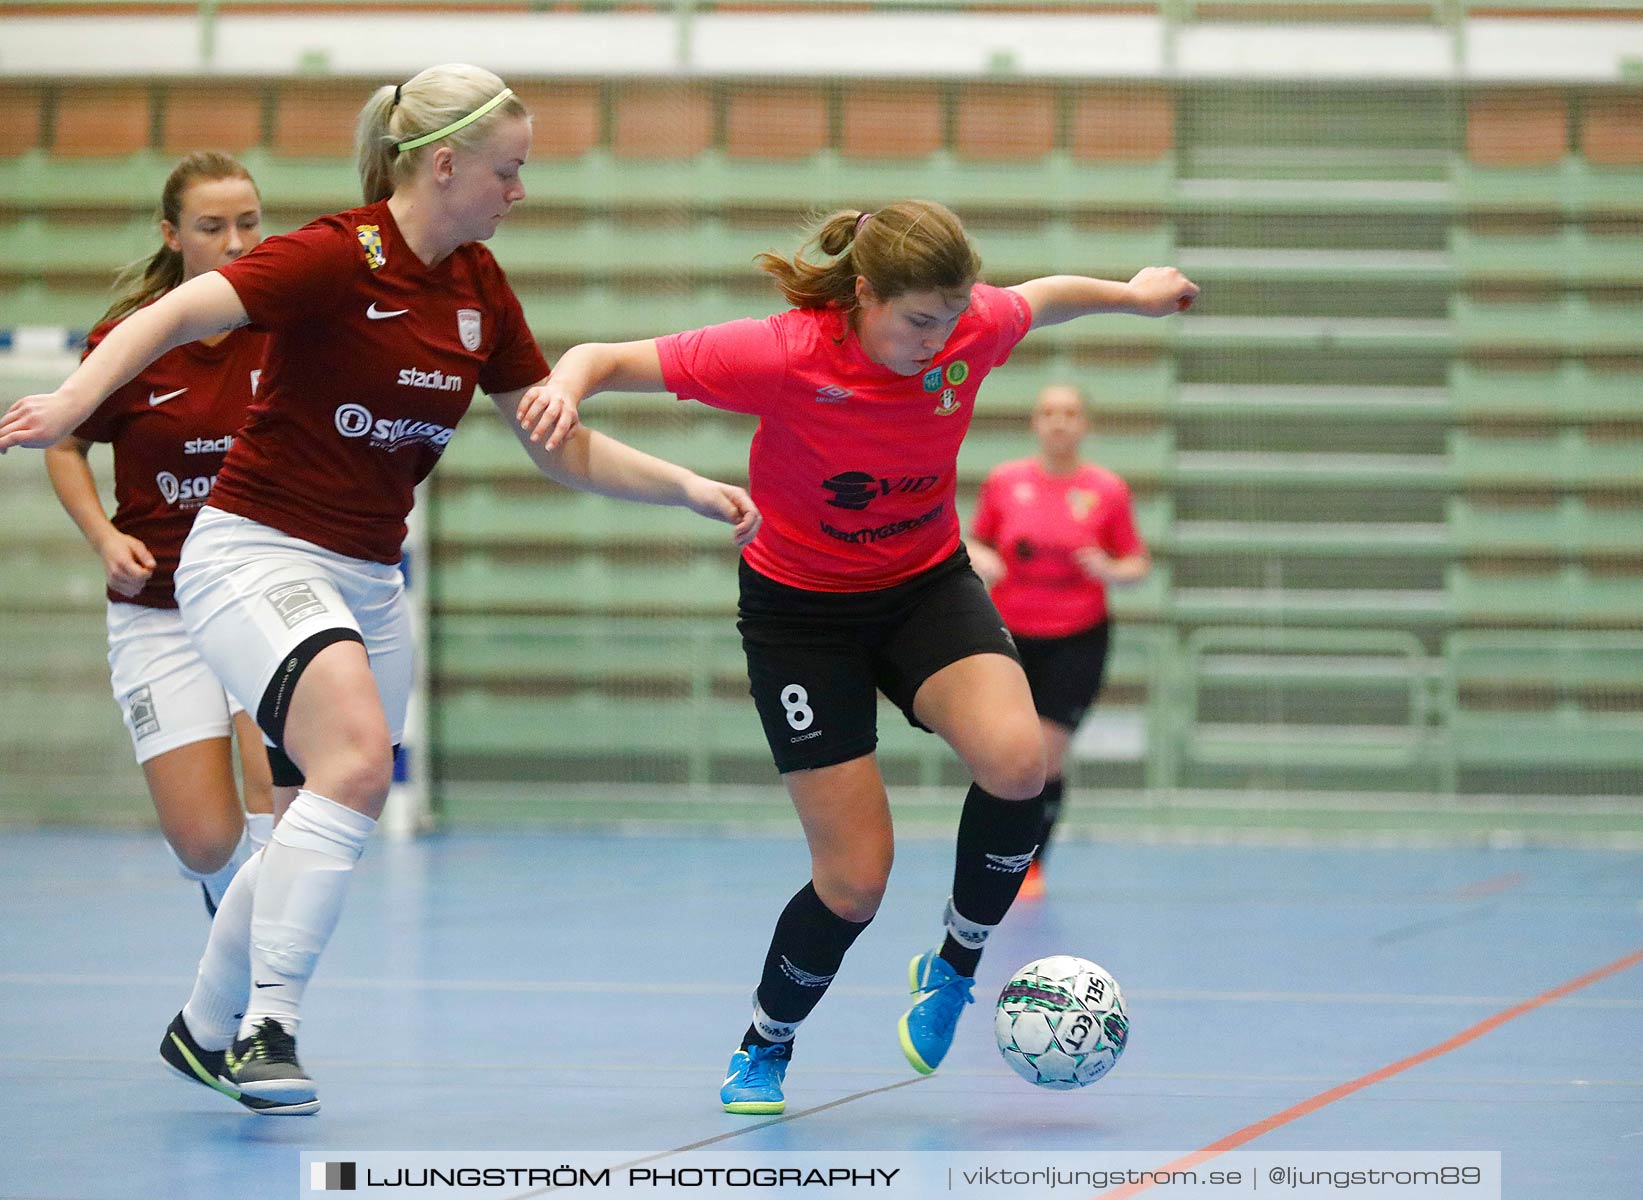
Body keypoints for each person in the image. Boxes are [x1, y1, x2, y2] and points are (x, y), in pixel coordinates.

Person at [0, 63, 759, 1117]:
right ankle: (271, 1026)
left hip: (366, 575)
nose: (520, 192)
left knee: (326, 796)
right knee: (355, 761)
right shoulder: (330, 253)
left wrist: (681, 487)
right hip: (255, 551)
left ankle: (201, 1026)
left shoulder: (480, 289)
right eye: (509, 170)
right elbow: (175, 314)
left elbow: (559, 440)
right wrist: (74, 399)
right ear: (443, 164)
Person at [526, 199, 1196, 1114]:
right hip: (801, 617)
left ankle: (956, 964)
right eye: (919, 320)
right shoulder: (784, 352)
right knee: (853, 882)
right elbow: (606, 358)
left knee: (1018, 760)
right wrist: (567, 383)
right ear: (865, 296)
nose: (939, 338)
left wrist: (1135, 295)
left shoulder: (970, 327)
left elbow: (1039, 298)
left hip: (924, 587)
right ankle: (765, 1044)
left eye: (952, 317)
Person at [44, 152, 280, 917]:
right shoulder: (132, 339)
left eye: (248, 223)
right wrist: (104, 538)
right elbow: (65, 443)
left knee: (274, 799)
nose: (237, 241)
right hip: (160, 607)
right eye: (213, 227)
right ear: (173, 235)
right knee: (205, 842)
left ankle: (261, 997)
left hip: (259, 595)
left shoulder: (283, 331)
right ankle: (228, 913)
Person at [966, 384, 1151, 900]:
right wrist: (983, 558)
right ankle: (991, 852)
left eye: (1070, 413)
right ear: (1035, 423)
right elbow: (973, 539)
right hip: (1008, 634)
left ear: (1084, 424)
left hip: (1078, 637)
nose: (1059, 422)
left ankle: (1030, 862)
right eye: (1048, 412)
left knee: (1047, 756)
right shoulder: (1005, 482)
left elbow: (1137, 562)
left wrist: (1112, 570)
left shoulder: (1108, 490)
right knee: (1004, 753)